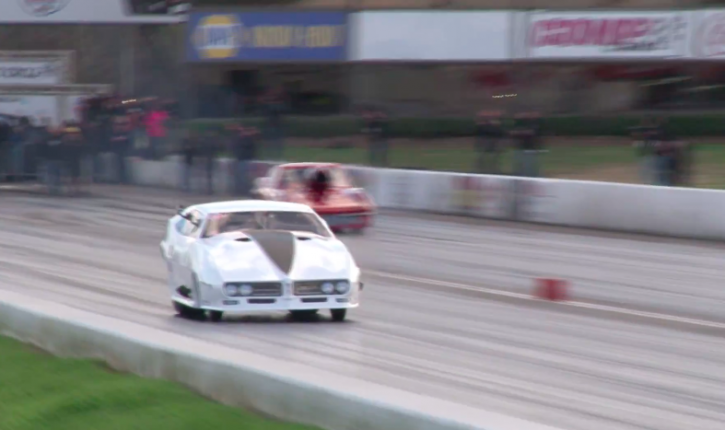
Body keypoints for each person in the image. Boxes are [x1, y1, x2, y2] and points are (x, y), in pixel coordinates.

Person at [510, 111, 543, 177]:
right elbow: (512, 133)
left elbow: (531, 132)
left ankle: (532, 175)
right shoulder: (519, 123)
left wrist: (520, 132)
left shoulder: (534, 123)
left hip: (530, 147)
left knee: (529, 163)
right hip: (520, 147)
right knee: (520, 163)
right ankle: (520, 175)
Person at [229, 124, 259, 196]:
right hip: (242, 159)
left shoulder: (245, 139)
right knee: (241, 176)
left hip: (243, 159)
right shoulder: (243, 139)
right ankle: (241, 190)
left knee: (243, 176)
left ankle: (242, 190)